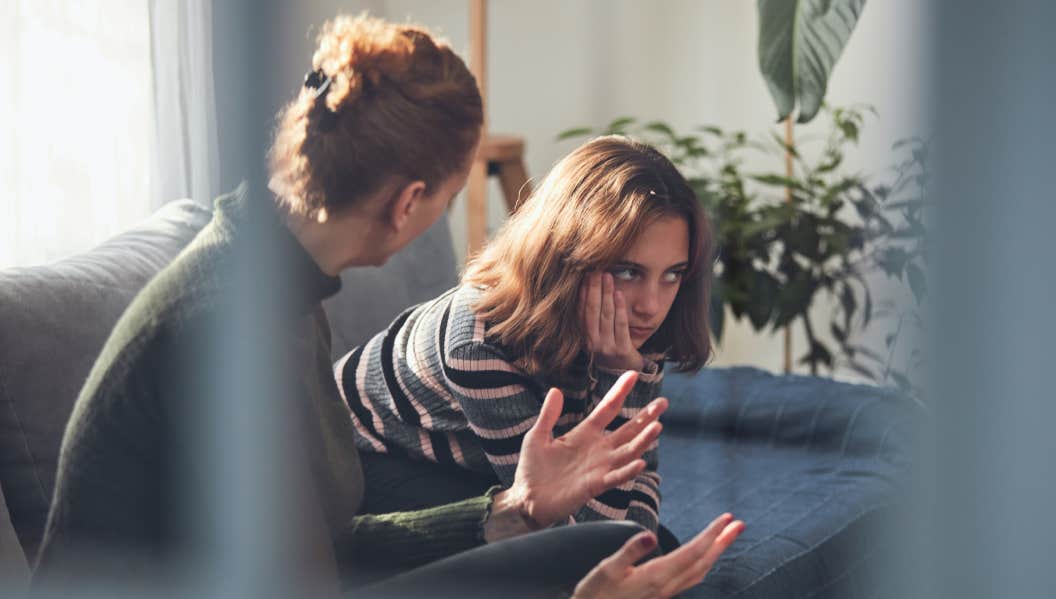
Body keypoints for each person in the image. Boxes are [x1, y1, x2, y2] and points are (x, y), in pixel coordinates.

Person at [33, 14, 741, 598]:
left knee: (626, 549)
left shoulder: (275, 287)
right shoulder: (227, 326)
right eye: (449, 194)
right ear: (410, 203)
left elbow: (331, 544)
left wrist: (514, 508)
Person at [336, 135, 714, 551]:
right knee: (568, 557)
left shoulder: (637, 323)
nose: (651, 304)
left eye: (673, 274)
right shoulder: (479, 341)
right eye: (628, 271)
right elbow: (569, 530)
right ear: (570, 255)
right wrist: (620, 378)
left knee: (657, 549)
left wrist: (622, 372)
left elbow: (634, 487)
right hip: (366, 461)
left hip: (481, 464)